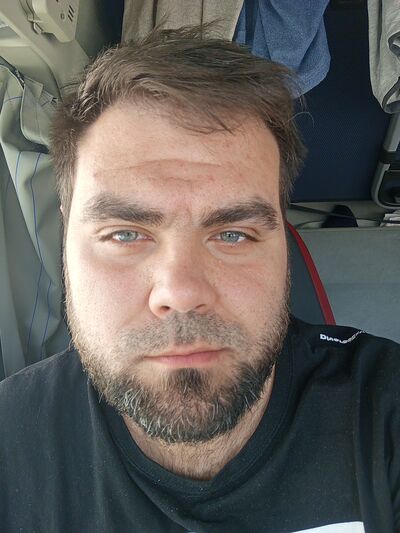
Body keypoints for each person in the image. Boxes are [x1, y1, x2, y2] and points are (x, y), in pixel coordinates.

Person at [0, 26, 399, 533]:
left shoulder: (385, 411)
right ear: (66, 238)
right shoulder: (9, 442)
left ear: (283, 240)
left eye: (232, 234)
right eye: (125, 234)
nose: (181, 294)